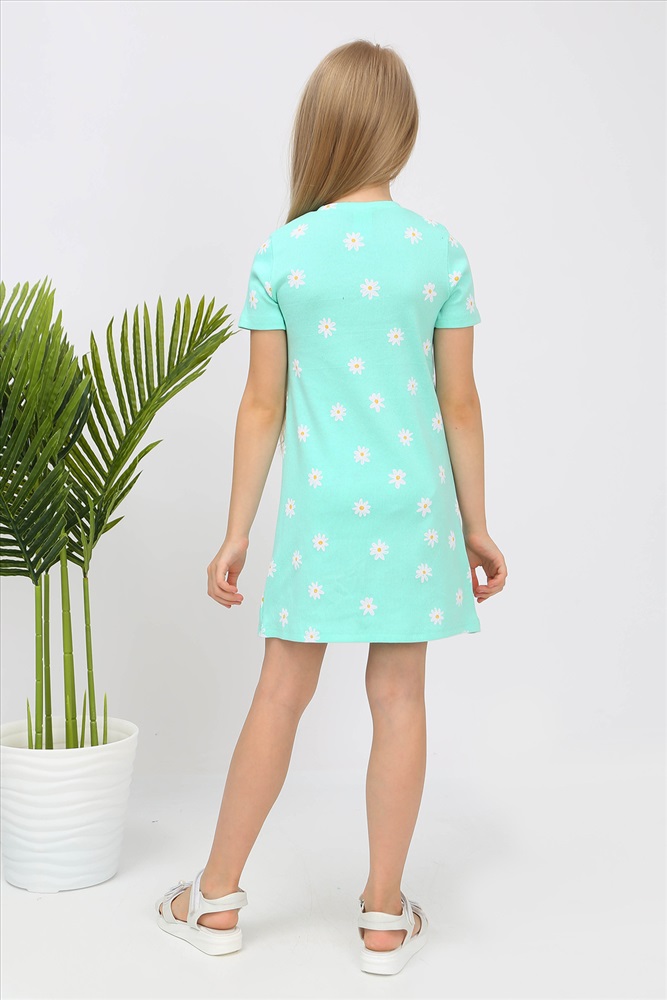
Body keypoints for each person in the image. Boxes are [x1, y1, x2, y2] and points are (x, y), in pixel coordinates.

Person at [155, 38, 507, 976]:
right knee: (400, 699)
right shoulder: (437, 252)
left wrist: (236, 531)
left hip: (320, 515)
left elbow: (260, 407)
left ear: (320, 129)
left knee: (280, 693)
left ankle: (214, 900)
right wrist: (474, 523)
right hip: (414, 513)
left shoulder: (285, 253)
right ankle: (384, 919)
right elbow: (459, 403)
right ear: (402, 132)